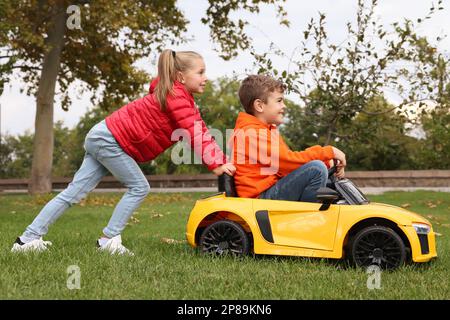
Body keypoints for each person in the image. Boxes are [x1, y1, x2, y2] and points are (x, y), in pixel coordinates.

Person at [11, 49, 236, 255]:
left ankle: (27, 240)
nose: (206, 77)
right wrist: (216, 163)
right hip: (109, 140)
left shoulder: (177, 97)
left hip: (102, 136)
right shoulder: (176, 96)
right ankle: (109, 239)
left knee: (74, 192)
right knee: (139, 187)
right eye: (201, 72)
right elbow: (195, 132)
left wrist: (221, 159)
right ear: (180, 77)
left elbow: (200, 129)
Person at [231, 74, 346, 201]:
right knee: (316, 169)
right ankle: (307, 219)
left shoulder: (267, 130)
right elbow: (289, 162)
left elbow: (287, 165)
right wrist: (328, 152)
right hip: (260, 199)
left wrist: (328, 162)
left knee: (322, 170)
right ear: (259, 105)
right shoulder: (251, 133)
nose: (284, 106)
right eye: (279, 101)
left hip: (269, 191)